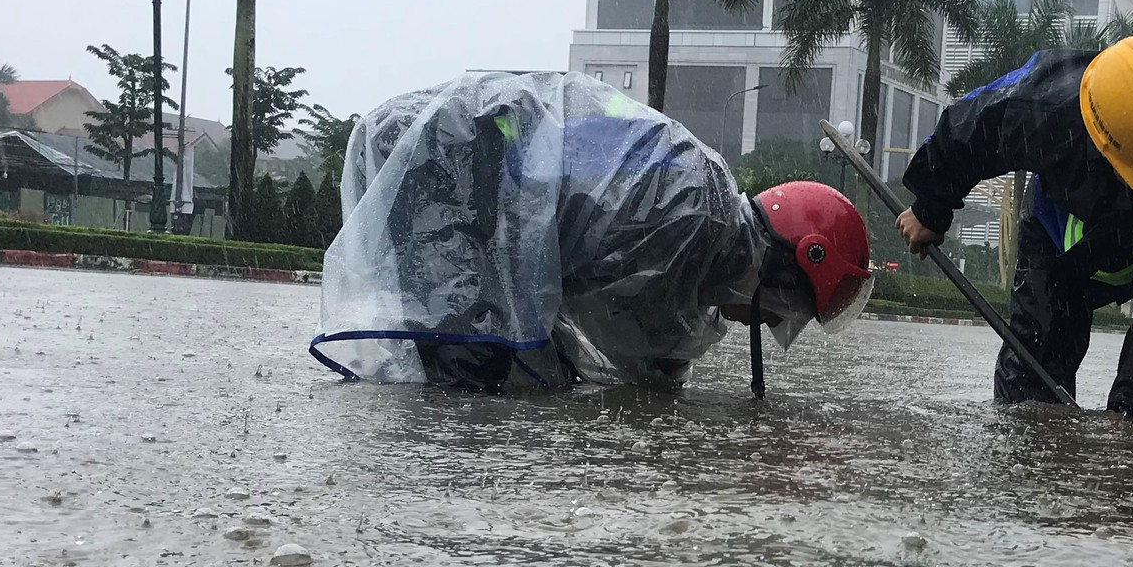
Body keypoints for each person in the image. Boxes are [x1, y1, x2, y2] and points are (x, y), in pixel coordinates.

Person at [311, 71, 872, 395]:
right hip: (445, 156)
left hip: (462, 163)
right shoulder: (695, 222)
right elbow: (630, 344)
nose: (767, 324)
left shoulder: (709, 221)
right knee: (472, 364)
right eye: (779, 313)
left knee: (511, 366)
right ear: (785, 267)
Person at [893, 33, 1133, 421]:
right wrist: (930, 209)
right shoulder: (1044, 105)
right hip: (1061, 246)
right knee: (1031, 391)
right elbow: (966, 128)